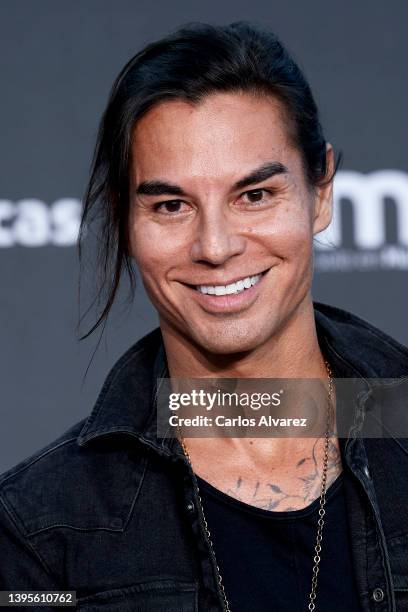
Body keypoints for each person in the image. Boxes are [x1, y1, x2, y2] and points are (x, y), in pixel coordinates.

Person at [1, 21, 408, 612]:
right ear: (124, 222)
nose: (215, 246)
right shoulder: (41, 530)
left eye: (255, 195)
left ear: (320, 193)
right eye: (171, 205)